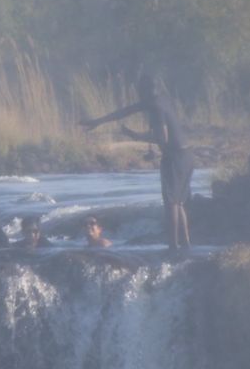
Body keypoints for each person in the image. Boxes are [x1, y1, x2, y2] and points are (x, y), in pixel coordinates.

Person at [80, 74, 192, 250]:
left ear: (146, 91)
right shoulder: (161, 99)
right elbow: (126, 111)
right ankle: (185, 245)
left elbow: (163, 138)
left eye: (141, 90)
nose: (139, 95)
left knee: (171, 203)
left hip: (174, 158)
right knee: (178, 202)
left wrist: (137, 137)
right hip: (186, 156)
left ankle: (173, 246)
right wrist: (98, 121)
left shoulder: (156, 106)